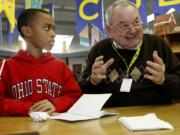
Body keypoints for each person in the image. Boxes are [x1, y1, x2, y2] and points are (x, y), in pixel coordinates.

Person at [78, 0, 180, 107]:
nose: (132, 30)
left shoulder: (157, 44)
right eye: (124, 26)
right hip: (111, 119)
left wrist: (164, 80)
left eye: (136, 22)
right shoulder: (99, 50)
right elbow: (80, 90)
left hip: (156, 116)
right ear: (109, 29)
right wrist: (92, 81)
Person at [0, 9, 81, 116]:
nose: (53, 34)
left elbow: (75, 96)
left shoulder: (61, 66)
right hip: (20, 130)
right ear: (27, 31)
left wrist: (55, 104)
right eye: (47, 28)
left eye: (54, 29)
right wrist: (30, 108)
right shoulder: (6, 66)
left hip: (56, 129)